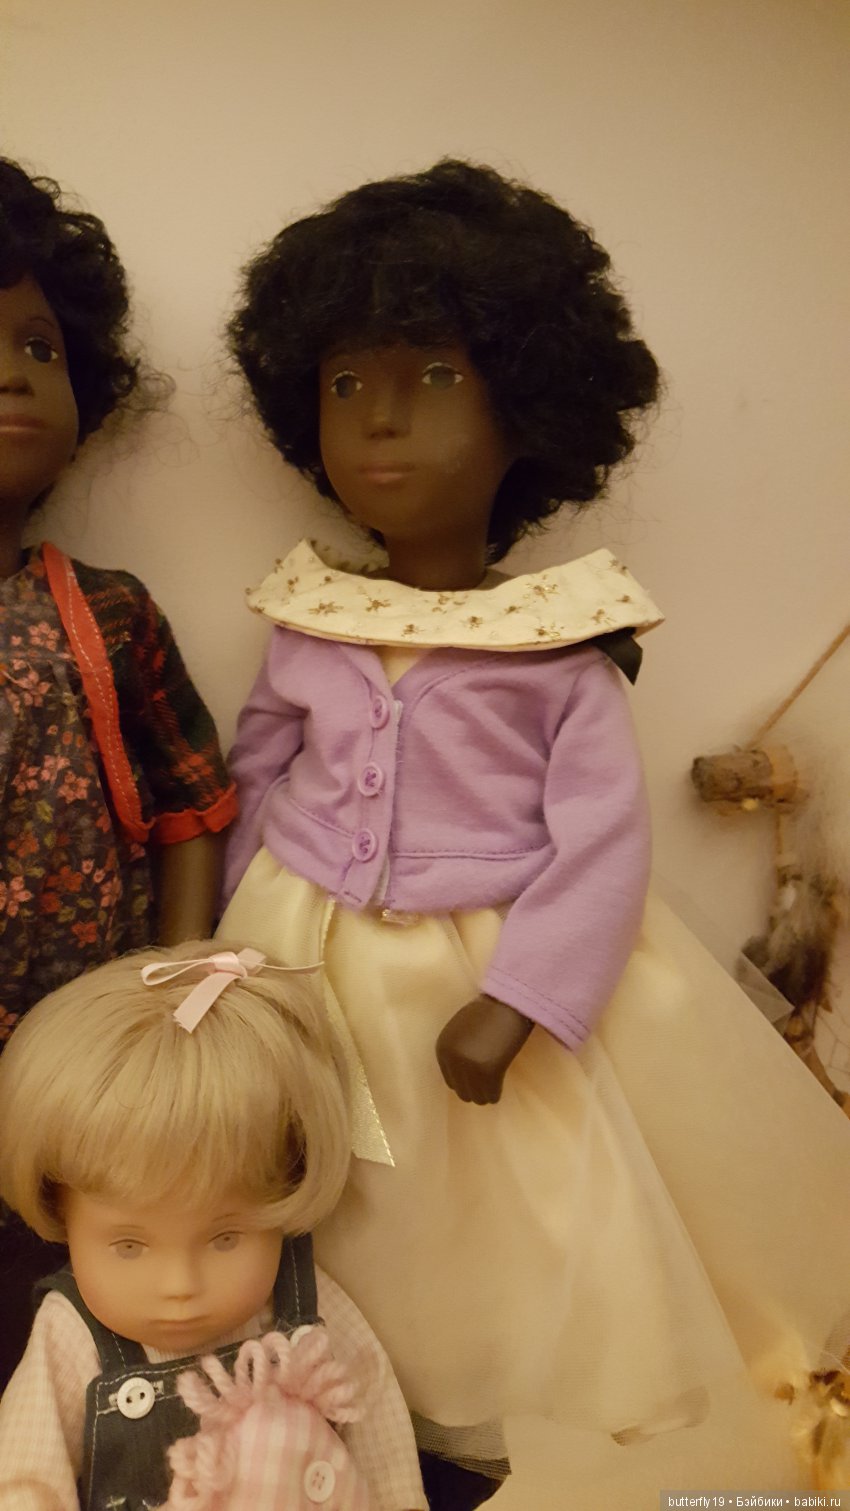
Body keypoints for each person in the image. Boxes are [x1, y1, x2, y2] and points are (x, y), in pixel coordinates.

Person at [219, 160, 850, 1507]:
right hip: (304, 953)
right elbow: (257, 775)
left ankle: (466, 1426)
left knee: (488, 1216)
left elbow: (602, 841)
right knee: (328, 1188)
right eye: (345, 382)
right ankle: (335, 1410)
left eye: (434, 377)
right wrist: (224, 952)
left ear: (528, 409)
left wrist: (520, 1000)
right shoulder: (308, 618)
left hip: (483, 975)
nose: (381, 416)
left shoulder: (556, 647)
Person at [0, 156, 237, 1385]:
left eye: (39, 347)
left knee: (74, 1281)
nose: (12, 373)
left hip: (87, 1042)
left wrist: (178, 980)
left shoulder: (110, 610)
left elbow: (193, 801)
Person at [0, 941, 426, 1511]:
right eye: (129, 1245)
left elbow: (380, 1443)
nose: (180, 1285)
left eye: (226, 1239)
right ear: (60, 1210)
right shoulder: (71, 1335)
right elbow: (25, 1481)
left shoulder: (306, 1306)